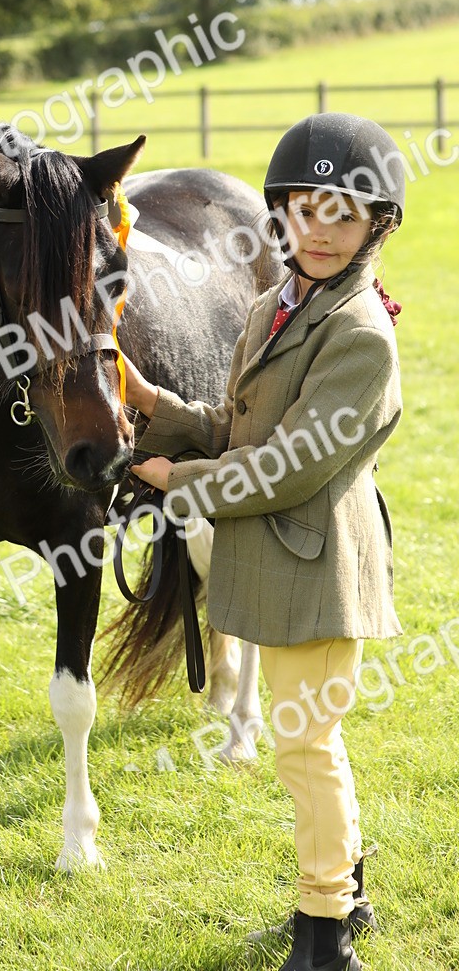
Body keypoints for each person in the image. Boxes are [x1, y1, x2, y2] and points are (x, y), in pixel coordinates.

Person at [122, 113, 405, 971]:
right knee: (312, 746)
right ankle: (346, 898)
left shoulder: (360, 335)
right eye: (304, 210)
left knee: (305, 750)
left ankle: (324, 940)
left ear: (374, 228)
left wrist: (177, 483)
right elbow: (234, 423)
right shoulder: (275, 306)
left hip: (318, 568)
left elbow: (283, 470)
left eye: (342, 216)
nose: (318, 232)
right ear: (280, 212)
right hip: (283, 558)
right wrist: (146, 399)